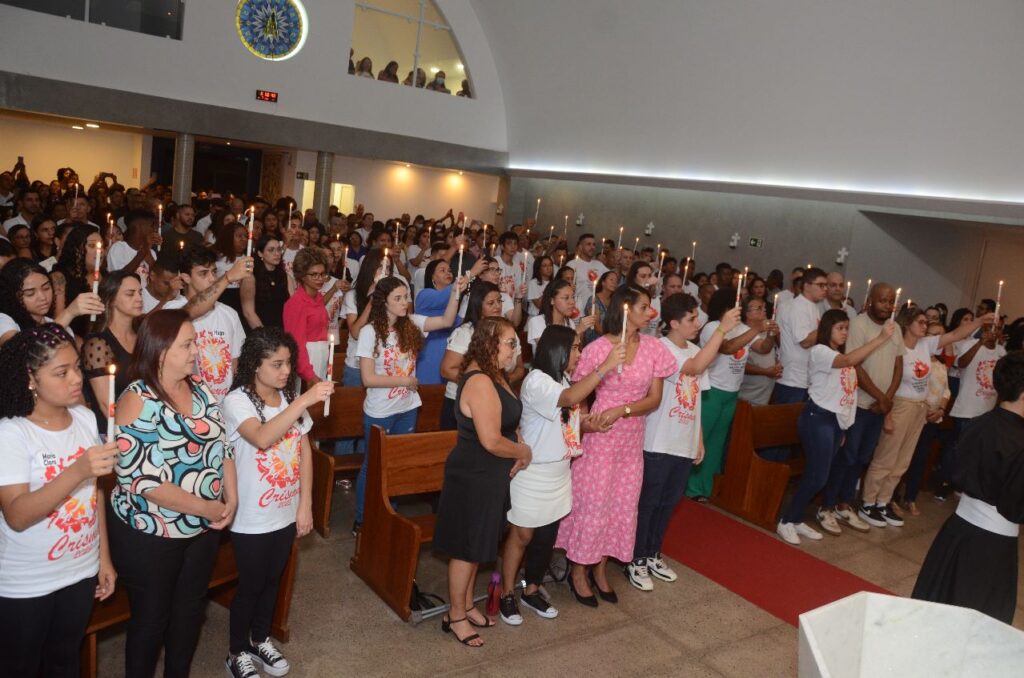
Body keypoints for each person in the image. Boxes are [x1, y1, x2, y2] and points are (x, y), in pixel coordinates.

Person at [108, 309, 237, 677]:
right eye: (188, 344)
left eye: (195, 341)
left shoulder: (200, 388)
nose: (198, 350)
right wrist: (207, 508)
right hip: (151, 531)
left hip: (201, 528)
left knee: (189, 611)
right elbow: (139, 479)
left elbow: (223, 444)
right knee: (152, 619)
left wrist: (233, 496)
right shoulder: (137, 399)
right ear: (162, 351)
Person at [0, 324, 118, 677]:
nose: (76, 379)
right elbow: (17, 515)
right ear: (30, 378)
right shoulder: (12, 432)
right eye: (61, 372)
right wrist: (77, 470)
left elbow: (94, 495)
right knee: (20, 666)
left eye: (77, 368)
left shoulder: (82, 417)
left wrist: (104, 558)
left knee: (65, 661)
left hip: (79, 569)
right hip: (27, 580)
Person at [222, 328, 333, 677]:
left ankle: (260, 638)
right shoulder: (237, 400)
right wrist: (303, 399)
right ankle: (236, 650)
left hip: (284, 509)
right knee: (252, 583)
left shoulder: (285, 397)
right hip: (252, 514)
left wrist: (305, 505)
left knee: (273, 580)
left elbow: (303, 450)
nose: (286, 371)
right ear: (255, 365)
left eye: (289, 363)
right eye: (277, 364)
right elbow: (262, 437)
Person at [556, 286, 676, 607]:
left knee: (621, 504)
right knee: (594, 504)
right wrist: (584, 423)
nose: (650, 313)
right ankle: (578, 569)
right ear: (625, 309)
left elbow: (654, 399)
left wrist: (621, 410)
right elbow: (578, 395)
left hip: (630, 438)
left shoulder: (653, 349)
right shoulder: (599, 348)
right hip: (600, 438)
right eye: (644, 307)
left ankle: (601, 568)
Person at [498, 325, 624, 623]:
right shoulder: (537, 381)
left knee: (544, 539)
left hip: (559, 473)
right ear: (558, 350)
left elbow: (563, 420)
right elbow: (567, 399)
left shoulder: (563, 379)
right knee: (522, 535)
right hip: (534, 473)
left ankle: (530, 590)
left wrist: (587, 426)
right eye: (576, 348)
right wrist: (604, 367)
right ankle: (505, 593)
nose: (579, 354)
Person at [627, 294, 738, 590]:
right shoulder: (661, 349)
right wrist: (722, 330)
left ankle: (652, 553)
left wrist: (698, 439)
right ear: (674, 323)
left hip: (683, 441)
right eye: (691, 318)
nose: (697, 323)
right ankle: (635, 558)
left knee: (670, 502)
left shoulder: (695, 348)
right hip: (659, 440)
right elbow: (692, 369)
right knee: (649, 502)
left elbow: (696, 400)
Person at [433, 317, 530, 646]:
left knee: (477, 546)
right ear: (490, 343)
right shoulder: (479, 381)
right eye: (509, 343)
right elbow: (490, 439)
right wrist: (524, 451)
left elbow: (508, 418)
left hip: (490, 474)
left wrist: (515, 439)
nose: (514, 350)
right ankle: (455, 615)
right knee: (466, 547)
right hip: (473, 474)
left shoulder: (495, 375)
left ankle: (466, 605)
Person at [912, 352, 1024, 624]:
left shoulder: (978, 423)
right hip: (992, 545)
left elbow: (956, 471)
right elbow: (1015, 506)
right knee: (976, 623)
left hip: (956, 531)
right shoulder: (1020, 441)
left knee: (939, 607)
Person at [858, 306, 994, 528]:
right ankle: (867, 503)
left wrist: (979, 322)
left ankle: (883, 502)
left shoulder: (925, 344)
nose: (924, 326)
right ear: (908, 324)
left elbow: (954, 335)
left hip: (919, 408)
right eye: (920, 322)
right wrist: (889, 414)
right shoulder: (897, 346)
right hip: (900, 405)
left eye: (925, 323)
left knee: (903, 460)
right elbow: (888, 382)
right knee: (886, 457)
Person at [353, 275, 466, 532]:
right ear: (384, 302)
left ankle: (388, 513)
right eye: (398, 298)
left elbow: (447, 320)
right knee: (373, 465)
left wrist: (455, 293)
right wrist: (404, 380)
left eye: (406, 296)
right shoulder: (370, 332)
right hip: (380, 411)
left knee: (397, 464)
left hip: (407, 407)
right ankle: (362, 518)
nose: (405, 302)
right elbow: (368, 378)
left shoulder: (412, 323)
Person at [777, 310, 896, 545]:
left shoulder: (838, 354)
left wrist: (843, 427)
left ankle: (797, 518)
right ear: (828, 328)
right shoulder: (821, 351)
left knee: (819, 475)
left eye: (846, 328)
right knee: (817, 475)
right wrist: (880, 339)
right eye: (840, 328)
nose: (844, 333)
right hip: (817, 418)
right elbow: (848, 361)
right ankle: (786, 521)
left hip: (833, 422)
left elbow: (847, 394)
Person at [818, 283, 903, 531]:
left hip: (880, 407)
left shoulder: (895, 327)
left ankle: (845, 504)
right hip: (860, 403)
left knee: (862, 458)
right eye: (882, 301)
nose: (887, 306)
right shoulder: (859, 325)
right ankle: (828, 505)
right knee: (847, 456)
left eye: (890, 301)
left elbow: (898, 366)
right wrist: (880, 397)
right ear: (869, 302)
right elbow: (854, 365)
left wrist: (887, 399)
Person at [687, 291, 777, 500]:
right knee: (702, 440)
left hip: (731, 393)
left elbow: (763, 348)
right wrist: (755, 329)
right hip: (712, 390)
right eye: (733, 308)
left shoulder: (744, 329)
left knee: (717, 442)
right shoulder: (712, 328)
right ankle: (689, 487)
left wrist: (770, 334)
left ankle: (706, 488)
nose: (737, 312)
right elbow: (727, 348)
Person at [936, 312, 1006, 500]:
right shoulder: (969, 344)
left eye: (997, 327)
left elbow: (1003, 379)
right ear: (983, 328)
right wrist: (980, 343)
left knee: (978, 452)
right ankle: (945, 482)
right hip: (967, 408)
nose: (993, 330)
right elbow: (962, 364)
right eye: (990, 327)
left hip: (987, 410)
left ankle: (964, 485)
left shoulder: (1001, 352)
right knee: (959, 447)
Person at [439, 281, 526, 430]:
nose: (497, 306)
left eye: (499, 301)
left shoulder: (509, 332)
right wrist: (483, 383)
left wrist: (504, 382)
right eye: (491, 303)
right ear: (478, 305)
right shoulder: (465, 333)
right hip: (462, 404)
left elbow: (519, 368)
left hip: (498, 400)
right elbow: (447, 370)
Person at [82, 271, 142, 438]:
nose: (139, 298)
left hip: (146, 423)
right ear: (111, 298)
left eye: (140, 292)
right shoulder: (98, 343)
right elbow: (105, 404)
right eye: (130, 294)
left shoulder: (143, 335)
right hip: (112, 433)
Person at [901, 321, 952, 515]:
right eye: (932, 335)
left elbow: (946, 390)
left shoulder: (940, 365)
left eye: (940, 335)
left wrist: (941, 410)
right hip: (915, 414)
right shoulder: (917, 361)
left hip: (933, 417)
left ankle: (910, 498)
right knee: (904, 457)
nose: (936, 339)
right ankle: (892, 497)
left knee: (920, 458)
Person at [0, 258, 104, 345]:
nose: (42, 297)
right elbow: (26, 352)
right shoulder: (4, 321)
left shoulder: (51, 322)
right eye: (30, 293)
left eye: (46, 288)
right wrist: (69, 313)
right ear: (13, 296)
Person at [773, 267, 827, 405]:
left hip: (804, 378)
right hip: (792, 379)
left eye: (826, 285)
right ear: (807, 286)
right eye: (821, 285)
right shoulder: (797, 307)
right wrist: (827, 324)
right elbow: (805, 341)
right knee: (786, 424)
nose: (825, 289)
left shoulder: (813, 306)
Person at [282, 247, 333, 384]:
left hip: (321, 356)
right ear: (302, 275)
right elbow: (296, 344)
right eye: (314, 274)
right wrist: (309, 376)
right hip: (306, 364)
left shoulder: (318, 298)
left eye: (322, 274)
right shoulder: (296, 304)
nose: (320, 279)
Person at [50, 224, 104, 338]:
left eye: (101, 246)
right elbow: (58, 324)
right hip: (72, 338)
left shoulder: (105, 276)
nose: (100, 251)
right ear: (77, 248)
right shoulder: (60, 277)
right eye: (91, 245)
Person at [241, 235, 292, 330]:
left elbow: (293, 307)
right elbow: (248, 313)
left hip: (282, 331)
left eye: (278, 249)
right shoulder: (250, 278)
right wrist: (266, 338)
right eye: (271, 250)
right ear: (260, 253)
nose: (277, 253)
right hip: (259, 333)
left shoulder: (285, 276)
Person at [739, 296, 783, 406]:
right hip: (747, 395)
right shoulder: (742, 333)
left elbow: (772, 351)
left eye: (764, 308)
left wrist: (776, 364)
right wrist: (765, 372)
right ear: (747, 313)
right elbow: (740, 364)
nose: (764, 310)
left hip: (764, 393)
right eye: (759, 308)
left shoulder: (764, 331)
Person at [526, 279, 593, 351]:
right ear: (552, 300)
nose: (572, 302)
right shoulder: (537, 322)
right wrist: (576, 332)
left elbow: (574, 352)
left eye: (573, 297)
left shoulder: (570, 323)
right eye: (566, 298)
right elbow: (549, 352)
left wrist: (581, 334)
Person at [106, 208, 160, 287]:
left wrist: (148, 254)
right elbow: (119, 279)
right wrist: (142, 253)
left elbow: (157, 281)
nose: (155, 229)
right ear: (138, 227)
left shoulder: (151, 252)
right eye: (151, 225)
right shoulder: (118, 248)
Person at [211, 219, 248, 319]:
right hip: (223, 301)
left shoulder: (249, 258)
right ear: (228, 237)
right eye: (239, 236)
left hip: (242, 303)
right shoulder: (216, 259)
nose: (244, 239)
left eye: (246, 236)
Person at [566, 234, 608, 313]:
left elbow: (613, 279)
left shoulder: (599, 264)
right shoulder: (571, 264)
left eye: (594, 244)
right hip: (576, 310)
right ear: (581, 247)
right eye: (588, 244)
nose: (592, 247)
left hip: (595, 310)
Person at [583, 270, 620, 345]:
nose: (614, 283)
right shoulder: (594, 299)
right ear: (603, 282)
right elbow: (596, 325)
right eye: (611, 280)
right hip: (594, 339)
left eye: (616, 281)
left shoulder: (614, 301)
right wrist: (610, 339)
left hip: (609, 339)